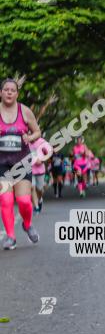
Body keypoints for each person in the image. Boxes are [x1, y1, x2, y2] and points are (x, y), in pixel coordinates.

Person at [0, 79, 42, 249]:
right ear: (1, 93)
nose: (9, 92)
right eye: (6, 89)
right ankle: (10, 236)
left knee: (24, 201)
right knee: (6, 199)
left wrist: (29, 137)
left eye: (13, 90)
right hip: (1, 164)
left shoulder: (24, 111)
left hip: (21, 163)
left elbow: (37, 131)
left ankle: (27, 224)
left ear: (17, 94)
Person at [30, 138, 51, 213]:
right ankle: (36, 206)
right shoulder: (25, 142)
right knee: (32, 187)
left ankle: (40, 199)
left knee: (39, 189)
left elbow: (48, 153)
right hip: (29, 169)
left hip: (40, 170)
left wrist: (42, 160)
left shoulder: (41, 141)